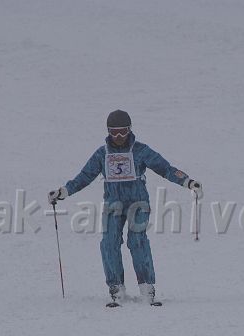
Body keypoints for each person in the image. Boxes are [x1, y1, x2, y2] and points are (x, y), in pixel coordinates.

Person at [48, 110, 202, 307]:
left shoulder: (140, 151)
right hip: (113, 204)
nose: (119, 136)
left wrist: (188, 182)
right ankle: (117, 289)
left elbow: (165, 168)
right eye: (114, 132)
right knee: (109, 242)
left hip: (138, 203)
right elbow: (84, 176)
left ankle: (146, 288)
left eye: (123, 131)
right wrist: (64, 191)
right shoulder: (102, 154)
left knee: (137, 240)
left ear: (130, 130)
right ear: (108, 132)